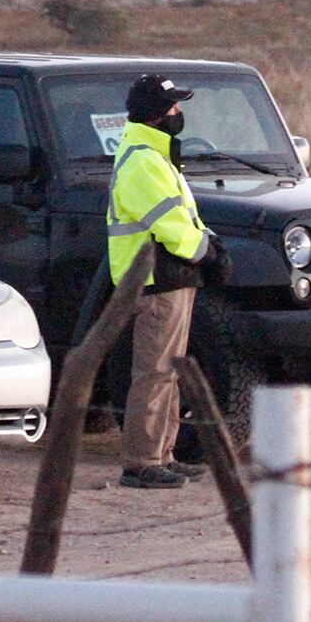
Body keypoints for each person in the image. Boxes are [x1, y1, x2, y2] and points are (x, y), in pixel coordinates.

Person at [106, 74, 228, 489]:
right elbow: (171, 226)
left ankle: (162, 454)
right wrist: (208, 252)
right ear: (158, 114)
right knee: (154, 373)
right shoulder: (143, 159)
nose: (179, 114)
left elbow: (182, 219)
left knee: (168, 373)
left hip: (170, 277)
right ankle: (141, 462)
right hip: (156, 279)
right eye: (173, 107)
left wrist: (206, 247)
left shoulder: (154, 155)